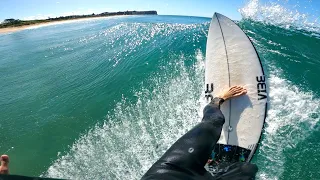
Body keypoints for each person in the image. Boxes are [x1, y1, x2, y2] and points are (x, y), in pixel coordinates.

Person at [141, 86, 258, 180]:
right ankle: (215, 167)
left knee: (213, 121)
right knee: (248, 169)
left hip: (172, 169)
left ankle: (216, 101)